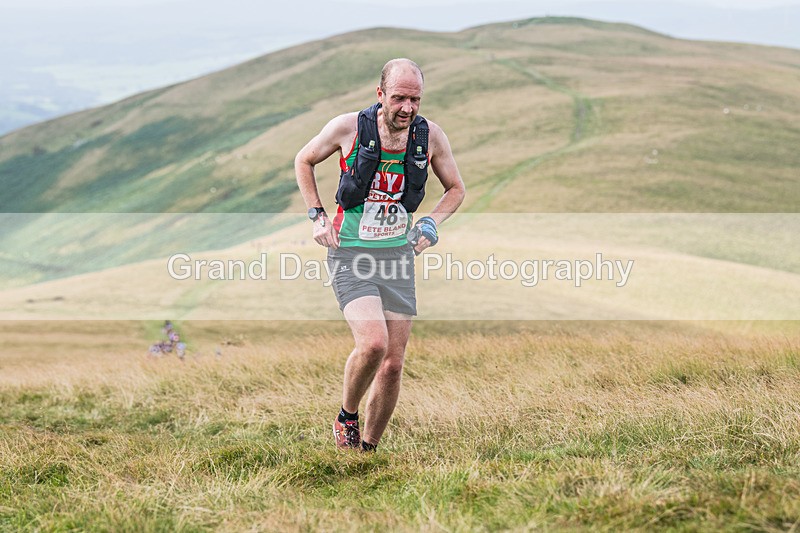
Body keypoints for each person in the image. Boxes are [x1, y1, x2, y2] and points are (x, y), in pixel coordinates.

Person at [295, 58, 466, 452]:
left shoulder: (430, 137)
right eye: (399, 98)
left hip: (397, 258)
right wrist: (317, 215)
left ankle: (367, 450)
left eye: (415, 99)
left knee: (393, 363)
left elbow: (455, 188)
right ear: (380, 95)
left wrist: (430, 224)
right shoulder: (348, 127)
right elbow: (303, 160)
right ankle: (347, 416)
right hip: (351, 254)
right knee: (373, 344)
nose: (407, 107)